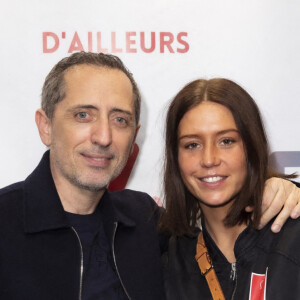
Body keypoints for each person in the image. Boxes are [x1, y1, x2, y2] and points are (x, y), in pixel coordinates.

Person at [0, 53, 298, 300]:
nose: (103, 136)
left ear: (134, 136)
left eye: (120, 119)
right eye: (83, 115)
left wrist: (286, 189)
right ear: (45, 126)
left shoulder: (145, 224)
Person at [161, 78, 300, 300]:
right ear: (176, 158)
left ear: (252, 147)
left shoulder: (293, 233)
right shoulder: (170, 260)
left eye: (226, 141)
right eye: (192, 145)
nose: (208, 159)